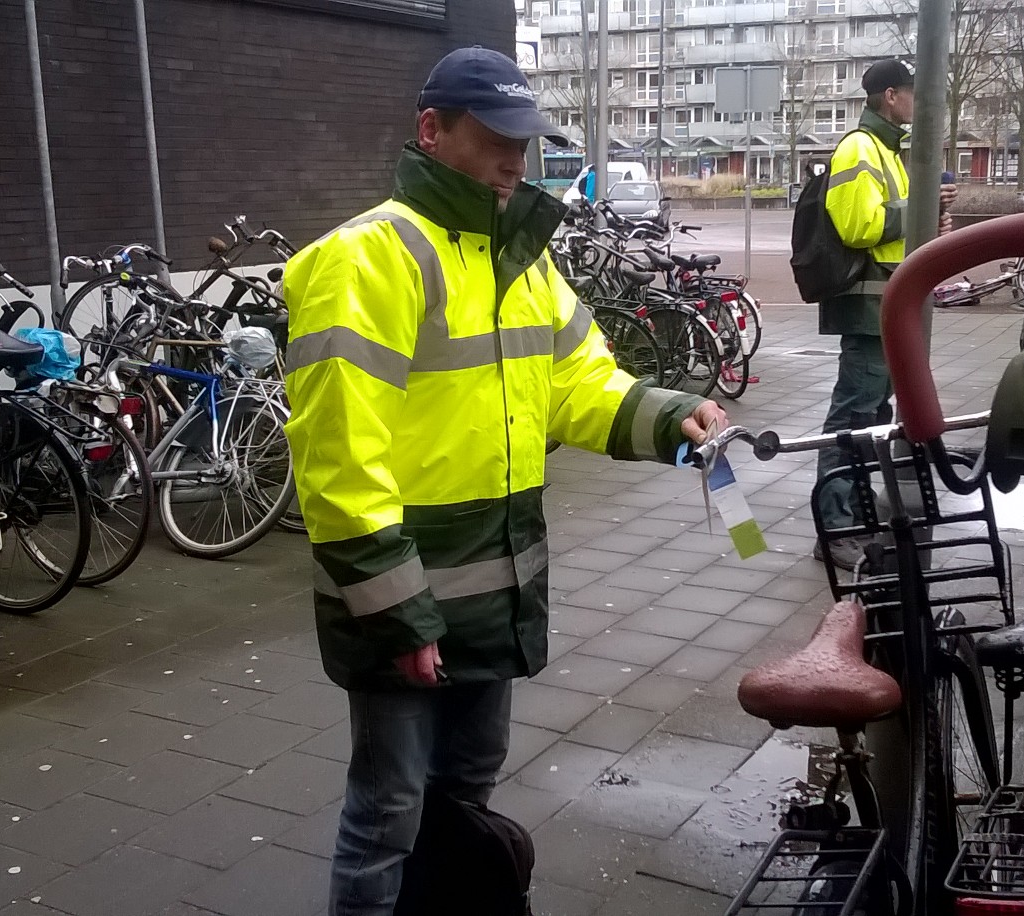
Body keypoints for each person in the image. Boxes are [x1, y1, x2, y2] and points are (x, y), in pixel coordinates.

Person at [280, 46, 729, 916]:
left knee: (465, 790)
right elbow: (339, 461)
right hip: (406, 591)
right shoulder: (368, 260)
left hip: (496, 582)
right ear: (431, 132)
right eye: (493, 139)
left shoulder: (521, 258)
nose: (514, 161)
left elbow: (576, 385)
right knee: (389, 811)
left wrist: (669, 414)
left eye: (523, 141)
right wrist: (397, 609)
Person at [812, 59, 957, 569]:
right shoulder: (859, 147)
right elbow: (858, 227)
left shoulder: (891, 149)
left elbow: (896, 226)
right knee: (851, 419)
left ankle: (852, 511)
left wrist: (927, 212)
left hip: (890, 307)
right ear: (890, 96)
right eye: (915, 93)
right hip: (870, 307)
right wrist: (918, 209)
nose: (921, 102)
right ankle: (833, 531)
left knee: (870, 417)